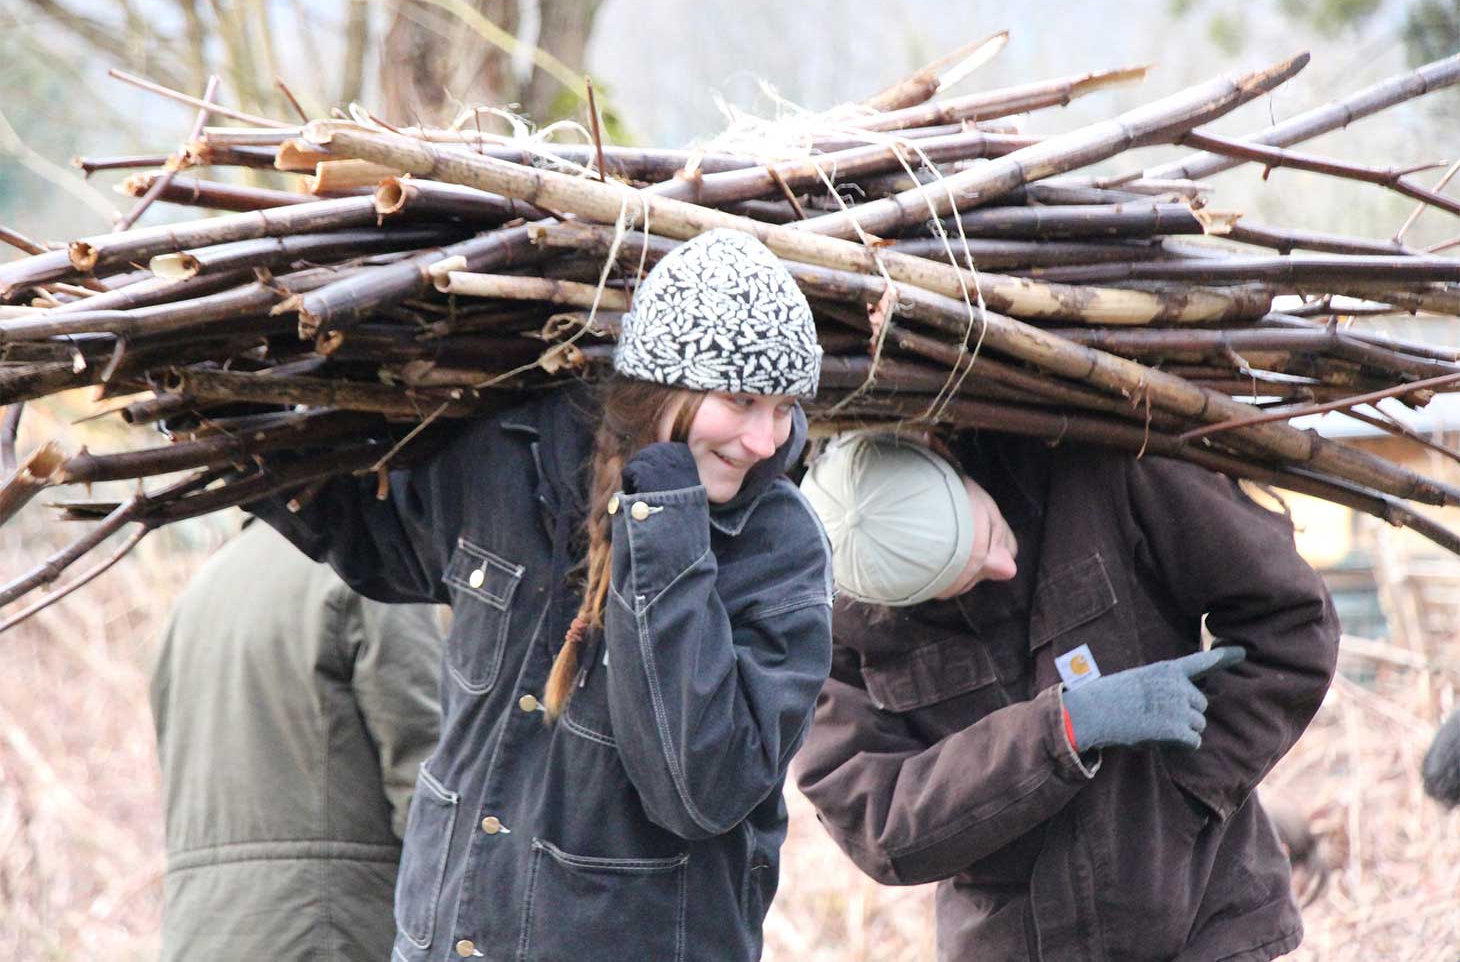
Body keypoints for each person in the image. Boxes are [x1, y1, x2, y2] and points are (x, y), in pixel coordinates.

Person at [248, 229, 834, 961]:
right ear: (660, 384)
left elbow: (699, 788)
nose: (763, 438)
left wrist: (666, 519)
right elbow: (384, 546)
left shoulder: (779, 549)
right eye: (742, 400)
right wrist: (255, 438)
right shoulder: (512, 456)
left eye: (782, 408)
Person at [794, 432, 1340, 962]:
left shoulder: (1096, 463)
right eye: (954, 581)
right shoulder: (829, 620)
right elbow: (880, 825)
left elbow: (1291, 623)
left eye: (983, 534)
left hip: (1204, 922)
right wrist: (1066, 729)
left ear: (940, 451)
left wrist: (1183, 790)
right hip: (1011, 944)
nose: (1000, 567)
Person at [150, 519, 443, 962]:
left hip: (198, 936)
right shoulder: (371, 573)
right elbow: (429, 789)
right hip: (326, 933)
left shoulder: (197, 593)